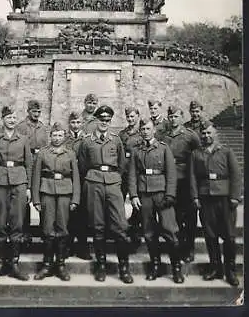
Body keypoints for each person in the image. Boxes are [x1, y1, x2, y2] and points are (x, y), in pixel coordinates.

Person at [78, 105, 133, 284]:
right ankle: (101, 265)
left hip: (113, 183)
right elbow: (82, 166)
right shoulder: (87, 141)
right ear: (96, 121)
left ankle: (124, 267)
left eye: (107, 120)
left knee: (120, 226)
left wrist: (117, 184)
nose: (104, 123)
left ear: (111, 121)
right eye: (101, 120)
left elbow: (123, 165)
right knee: (98, 226)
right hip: (93, 183)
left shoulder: (116, 140)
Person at [128, 118, 184, 283]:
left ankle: (176, 268)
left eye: (148, 128)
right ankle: (156, 266)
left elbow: (171, 174)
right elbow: (132, 174)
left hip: (161, 193)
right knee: (149, 232)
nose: (145, 131)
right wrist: (133, 195)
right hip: (144, 194)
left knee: (170, 229)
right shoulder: (136, 150)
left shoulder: (163, 148)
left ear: (154, 130)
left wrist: (170, 195)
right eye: (143, 129)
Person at [0, 106, 32, 281]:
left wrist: (28, 188)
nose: (11, 120)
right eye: (8, 117)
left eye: (14, 117)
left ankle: (14, 264)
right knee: (0, 223)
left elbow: (29, 165)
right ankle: (1, 262)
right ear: (2, 119)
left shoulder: (24, 139)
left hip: (19, 182)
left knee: (18, 223)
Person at [190, 122, 241, 286]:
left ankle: (230, 271)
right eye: (203, 133)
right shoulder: (196, 154)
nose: (206, 136)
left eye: (209, 133)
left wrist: (235, 196)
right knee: (210, 236)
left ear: (216, 134)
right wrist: (195, 197)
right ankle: (215, 268)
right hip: (205, 198)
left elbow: (236, 175)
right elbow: (192, 177)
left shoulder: (226, 151)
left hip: (225, 198)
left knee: (229, 236)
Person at [33, 123, 80, 281]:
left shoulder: (70, 153)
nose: (57, 138)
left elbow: (76, 178)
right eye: (54, 135)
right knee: (47, 228)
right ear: (50, 136)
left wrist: (75, 199)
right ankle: (46, 264)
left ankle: (60, 264)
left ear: (64, 136)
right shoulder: (43, 153)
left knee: (62, 228)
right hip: (47, 191)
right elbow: (36, 176)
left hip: (65, 192)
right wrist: (36, 199)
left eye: (60, 135)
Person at [163, 105, 200, 263]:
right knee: (175, 216)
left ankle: (189, 248)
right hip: (170, 182)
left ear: (181, 117)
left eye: (176, 116)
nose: (173, 119)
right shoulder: (164, 137)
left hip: (186, 180)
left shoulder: (190, 136)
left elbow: (198, 156)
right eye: (171, 117)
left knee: (190, 216)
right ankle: (178, 247)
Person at [17, 100, 49, 248]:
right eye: (34, 111)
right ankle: (25, 231)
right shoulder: (21, 127)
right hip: (26, 163)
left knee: (42, 197)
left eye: (38, 112)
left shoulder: (43, 127)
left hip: (41, 164)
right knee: (25, 199)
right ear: (28, 111)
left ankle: (44, 230)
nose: (36, 114)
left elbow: (46, 146)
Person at [65, 111, 92, 260]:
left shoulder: (87, 139)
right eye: (73, 122)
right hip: (68, 180)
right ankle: (68, 245)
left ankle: (82, 246)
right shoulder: (64, 139)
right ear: (69, 123)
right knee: (69, 212)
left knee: (83, 213)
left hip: (83, 179)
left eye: (78, 122)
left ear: (82, 123)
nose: (76, 126)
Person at [118, 107, 143, 251]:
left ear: (138, 116)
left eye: (133, 116)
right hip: (123, 172)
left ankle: (135, 230)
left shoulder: (141, 134)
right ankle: (120, 228)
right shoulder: (122, 134)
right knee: (119, 200)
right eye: (128, 116)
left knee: (136, 202)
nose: (130, 119)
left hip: (137, 173)